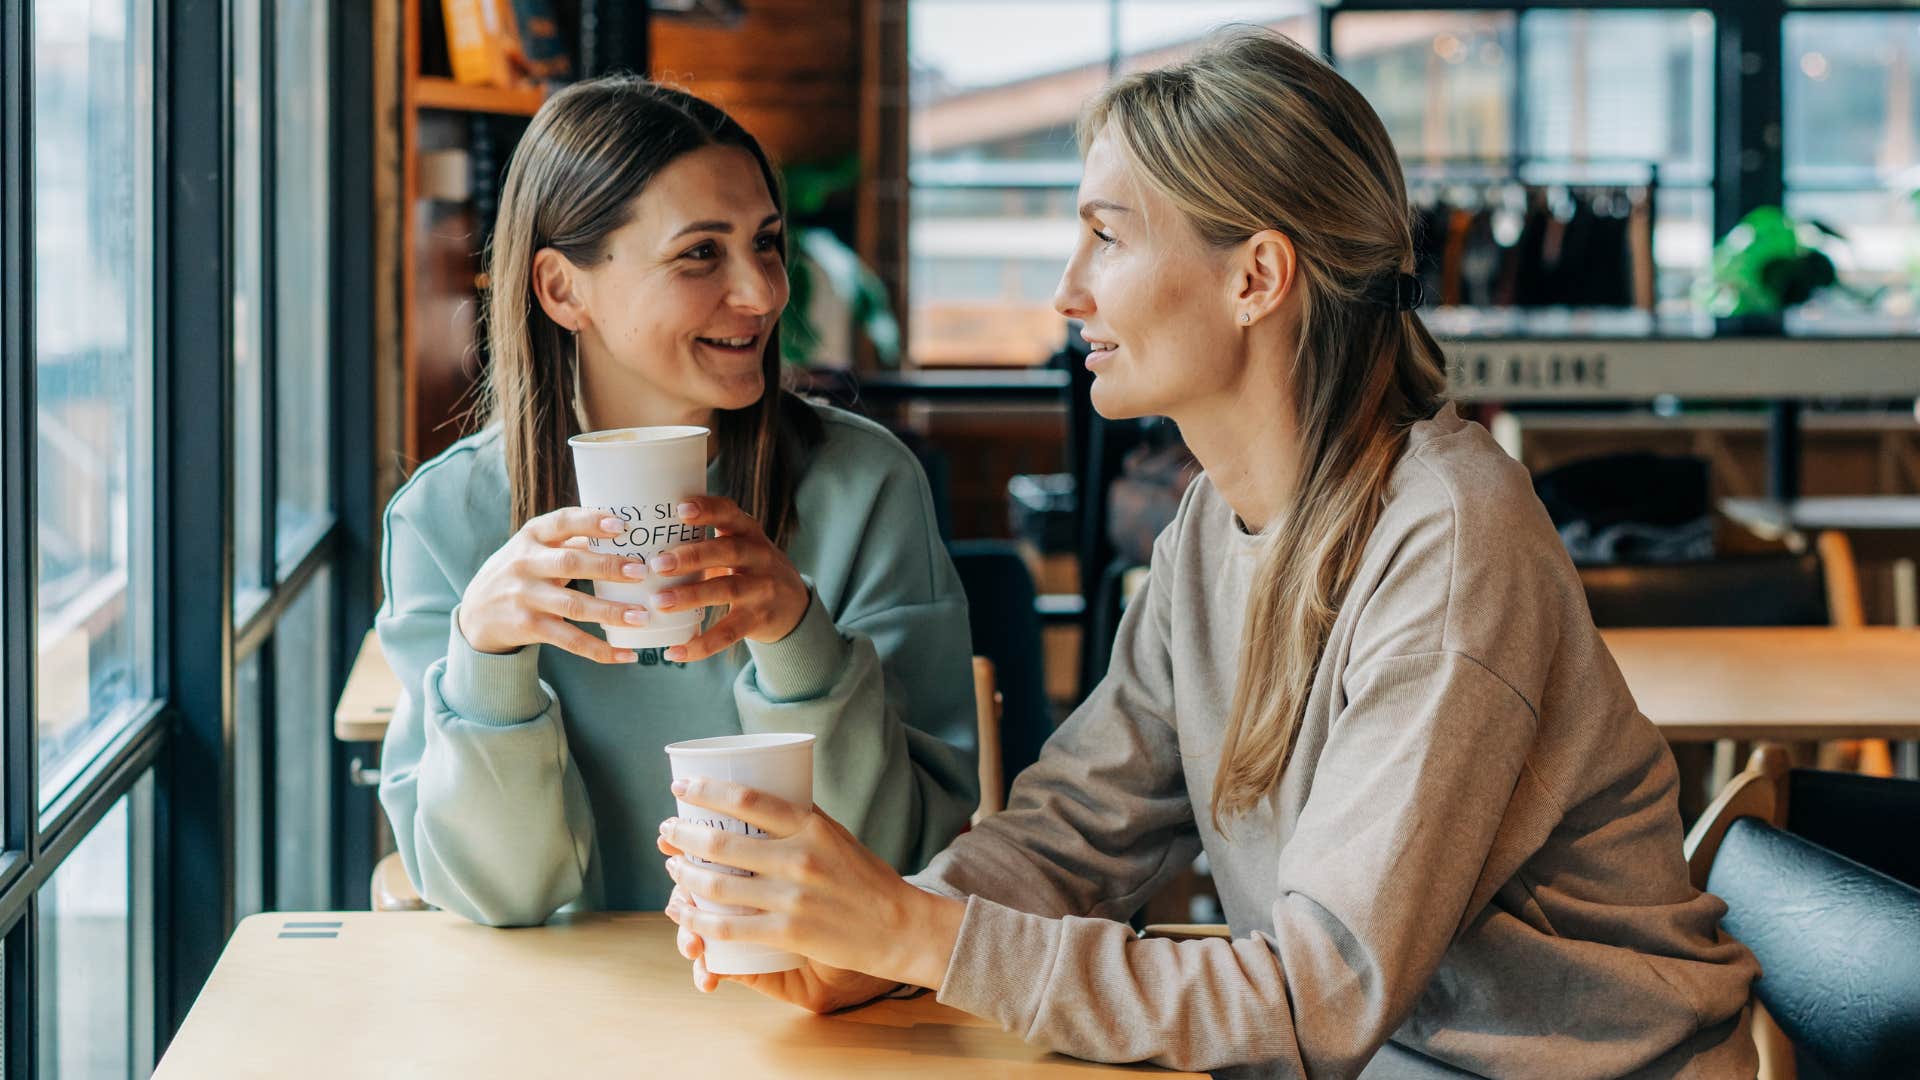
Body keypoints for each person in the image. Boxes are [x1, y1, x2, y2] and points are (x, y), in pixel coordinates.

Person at [657, 30, 1759, 1078]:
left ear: (1257, 277)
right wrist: (868, 944)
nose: (1067, 291)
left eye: (1109, 235)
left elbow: (1314, 1002)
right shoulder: (1210, 531)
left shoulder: (1450, 540)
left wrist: (921, 935)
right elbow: (1074, 835)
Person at [377, 76, 978, 927]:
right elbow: (499, 902)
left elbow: (900, 862)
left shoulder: (864, 486)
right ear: (561, 289)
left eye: (767, 243)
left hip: (814, 1018)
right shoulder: (445, 522)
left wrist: (797, 639)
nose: (764, 292)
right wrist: (488, 665)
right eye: (701, 253)